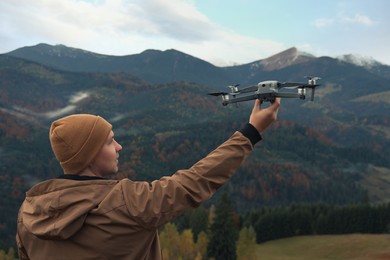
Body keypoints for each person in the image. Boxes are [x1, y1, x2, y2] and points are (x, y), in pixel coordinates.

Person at [16, 98, 281, 260]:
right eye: (110, 142)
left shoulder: (29, 214)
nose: (119, 147)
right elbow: (194, 182)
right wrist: (251, 132)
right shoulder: (126, 203)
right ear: (89, 154)